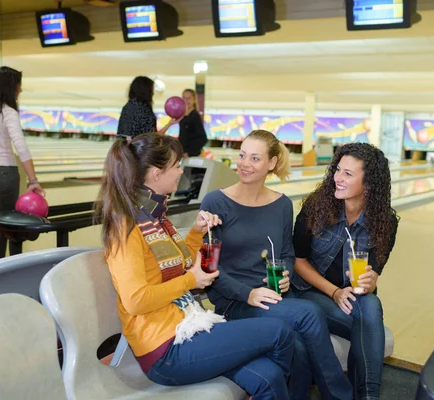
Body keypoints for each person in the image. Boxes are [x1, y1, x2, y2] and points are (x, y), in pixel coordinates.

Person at [96, 133, 294, 399]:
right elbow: (136, 300)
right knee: (280, 331)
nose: (181, 172)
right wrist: (192, 281)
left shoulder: (154, 217)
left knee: (268, 378)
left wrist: (196, 234)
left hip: (188, 327)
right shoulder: (127, 226)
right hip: (166, 349)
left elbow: (179, 264)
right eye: (177, 166)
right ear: (156, 173)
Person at [200, 129, 353, 400]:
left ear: (271, 163)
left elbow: (287, 254)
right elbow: (208, 268)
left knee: (299, 347)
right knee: (309, 313)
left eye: (255, 158)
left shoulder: (282, 205)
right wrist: (247, 293)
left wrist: (285, 273)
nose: (244, 163)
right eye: (242, 155)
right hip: (236, 302)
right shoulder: (215, 202)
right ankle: (340, 396)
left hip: (276, 297)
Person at [291, 143, 399, 400]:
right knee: (369, 322)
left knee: (370, 304)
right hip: (306, 292)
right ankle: (368, 395)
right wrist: (335, 291)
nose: (337, 178)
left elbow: (371, 279)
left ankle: (365, 396)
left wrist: (370, 282)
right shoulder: (316, 207)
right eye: (337, 170)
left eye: (348, 174)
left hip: (350, 300)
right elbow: (297, 259)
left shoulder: (384, 222)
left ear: (369, 183)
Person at [0, 66, 44, 260]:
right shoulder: (8, 112)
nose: (20, 89)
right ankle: (6, 269)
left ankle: (5, 267)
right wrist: (33, 180)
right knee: (8, 226)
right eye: (19, 85)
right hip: (4, 174)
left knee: (5, 220)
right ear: (12, 86)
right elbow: (20, 146)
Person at [178, 88, 208, 158]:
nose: (186, 101)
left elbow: (203, 138)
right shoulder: (183, 115)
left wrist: (189, 152)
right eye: (184, 98)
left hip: (192, 156)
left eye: (189, 98)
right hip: (184, 155)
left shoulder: (194, 116)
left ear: (194, 100)